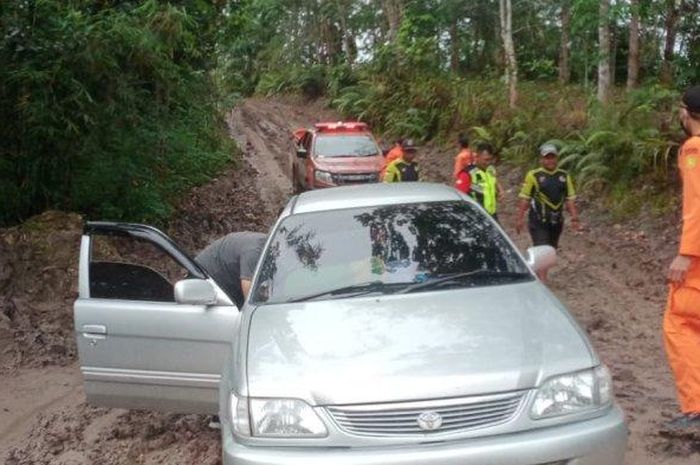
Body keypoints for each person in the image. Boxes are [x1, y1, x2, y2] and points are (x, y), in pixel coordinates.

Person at [663, 85, 700, 429]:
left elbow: (697, 204)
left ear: (686, 112)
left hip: (698, 261)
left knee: (679, 324)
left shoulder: (694, 149)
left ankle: (695, 408)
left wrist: (686, 253)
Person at [516, 143, 580, 279]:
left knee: (551, 250)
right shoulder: (534, 176)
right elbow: (525, 198)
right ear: (541, 159)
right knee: (542, 249)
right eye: (547, 158)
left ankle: (539, 275)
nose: (550, 161)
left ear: (557, 158)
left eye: (552, 157)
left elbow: (569, 199)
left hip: (556, 221)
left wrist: (574, 218)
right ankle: (542, 282)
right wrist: (519, 218)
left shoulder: (563, 176)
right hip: (538, 221)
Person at [194, 231, 267, 308]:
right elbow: (248, 289)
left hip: (232, 277)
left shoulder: (271, 245)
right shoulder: (254, 251)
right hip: (205, 279)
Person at [455, 143, 500, 220]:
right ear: (477, 157)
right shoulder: (468, 173)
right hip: (477, 216)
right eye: (485, 159)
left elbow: (493, 181)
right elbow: (458, 197)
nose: (488, 162)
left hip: (492, 215)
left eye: (490, 159)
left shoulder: (491, 170)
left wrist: (499, 190)